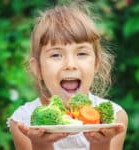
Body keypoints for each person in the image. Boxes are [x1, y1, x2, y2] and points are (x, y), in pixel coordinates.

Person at [7, 4, 128, 150]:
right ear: (38, 68)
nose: (70, 65)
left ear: (96, 63)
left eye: (81, 53)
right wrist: (41, 144)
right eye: (56, 55)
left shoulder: (115, 118)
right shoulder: (22, 121)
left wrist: (101, 143)